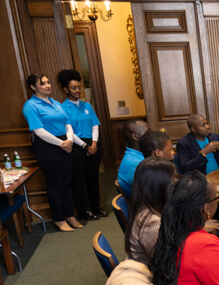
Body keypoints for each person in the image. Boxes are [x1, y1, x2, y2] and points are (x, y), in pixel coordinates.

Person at [22, 73, 82, 232]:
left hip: (65, 142)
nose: (48, 85)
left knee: (66, 181)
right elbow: (39, 131)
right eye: (43, 83)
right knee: (55, 183)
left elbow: (67, 123)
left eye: (48, 82)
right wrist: (61, 143)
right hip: (47, 146)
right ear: (33, 87)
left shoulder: (56, 103)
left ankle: (70, 215)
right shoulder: (30, 106)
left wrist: (68, 140)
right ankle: (59, 219)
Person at [57, 69, 106, 221]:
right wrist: (86, 147)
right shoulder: (62, 108)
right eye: (73, 88)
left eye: (79, 87)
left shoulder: (87, 106)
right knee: (79, 181)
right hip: (77, 146)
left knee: (93, 178)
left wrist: (94, 144)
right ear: (66, 89)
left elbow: (95, 126)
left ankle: (96, 208)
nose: (77, 90)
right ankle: (84, 212)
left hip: (94, 143)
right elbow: (69, 130)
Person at [124, 157, 177, 266]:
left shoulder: (147, 207)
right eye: (173, 178)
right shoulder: (152, 224)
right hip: (153, 278)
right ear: (160, 184)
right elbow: (167, 264)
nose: (176, 182)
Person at [117, 119, 149, 198]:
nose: (152, 136)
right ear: (135, 136)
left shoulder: (136, 155)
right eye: (148, 133)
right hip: (142, 206)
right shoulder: (135, 163)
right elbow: (154, 191)